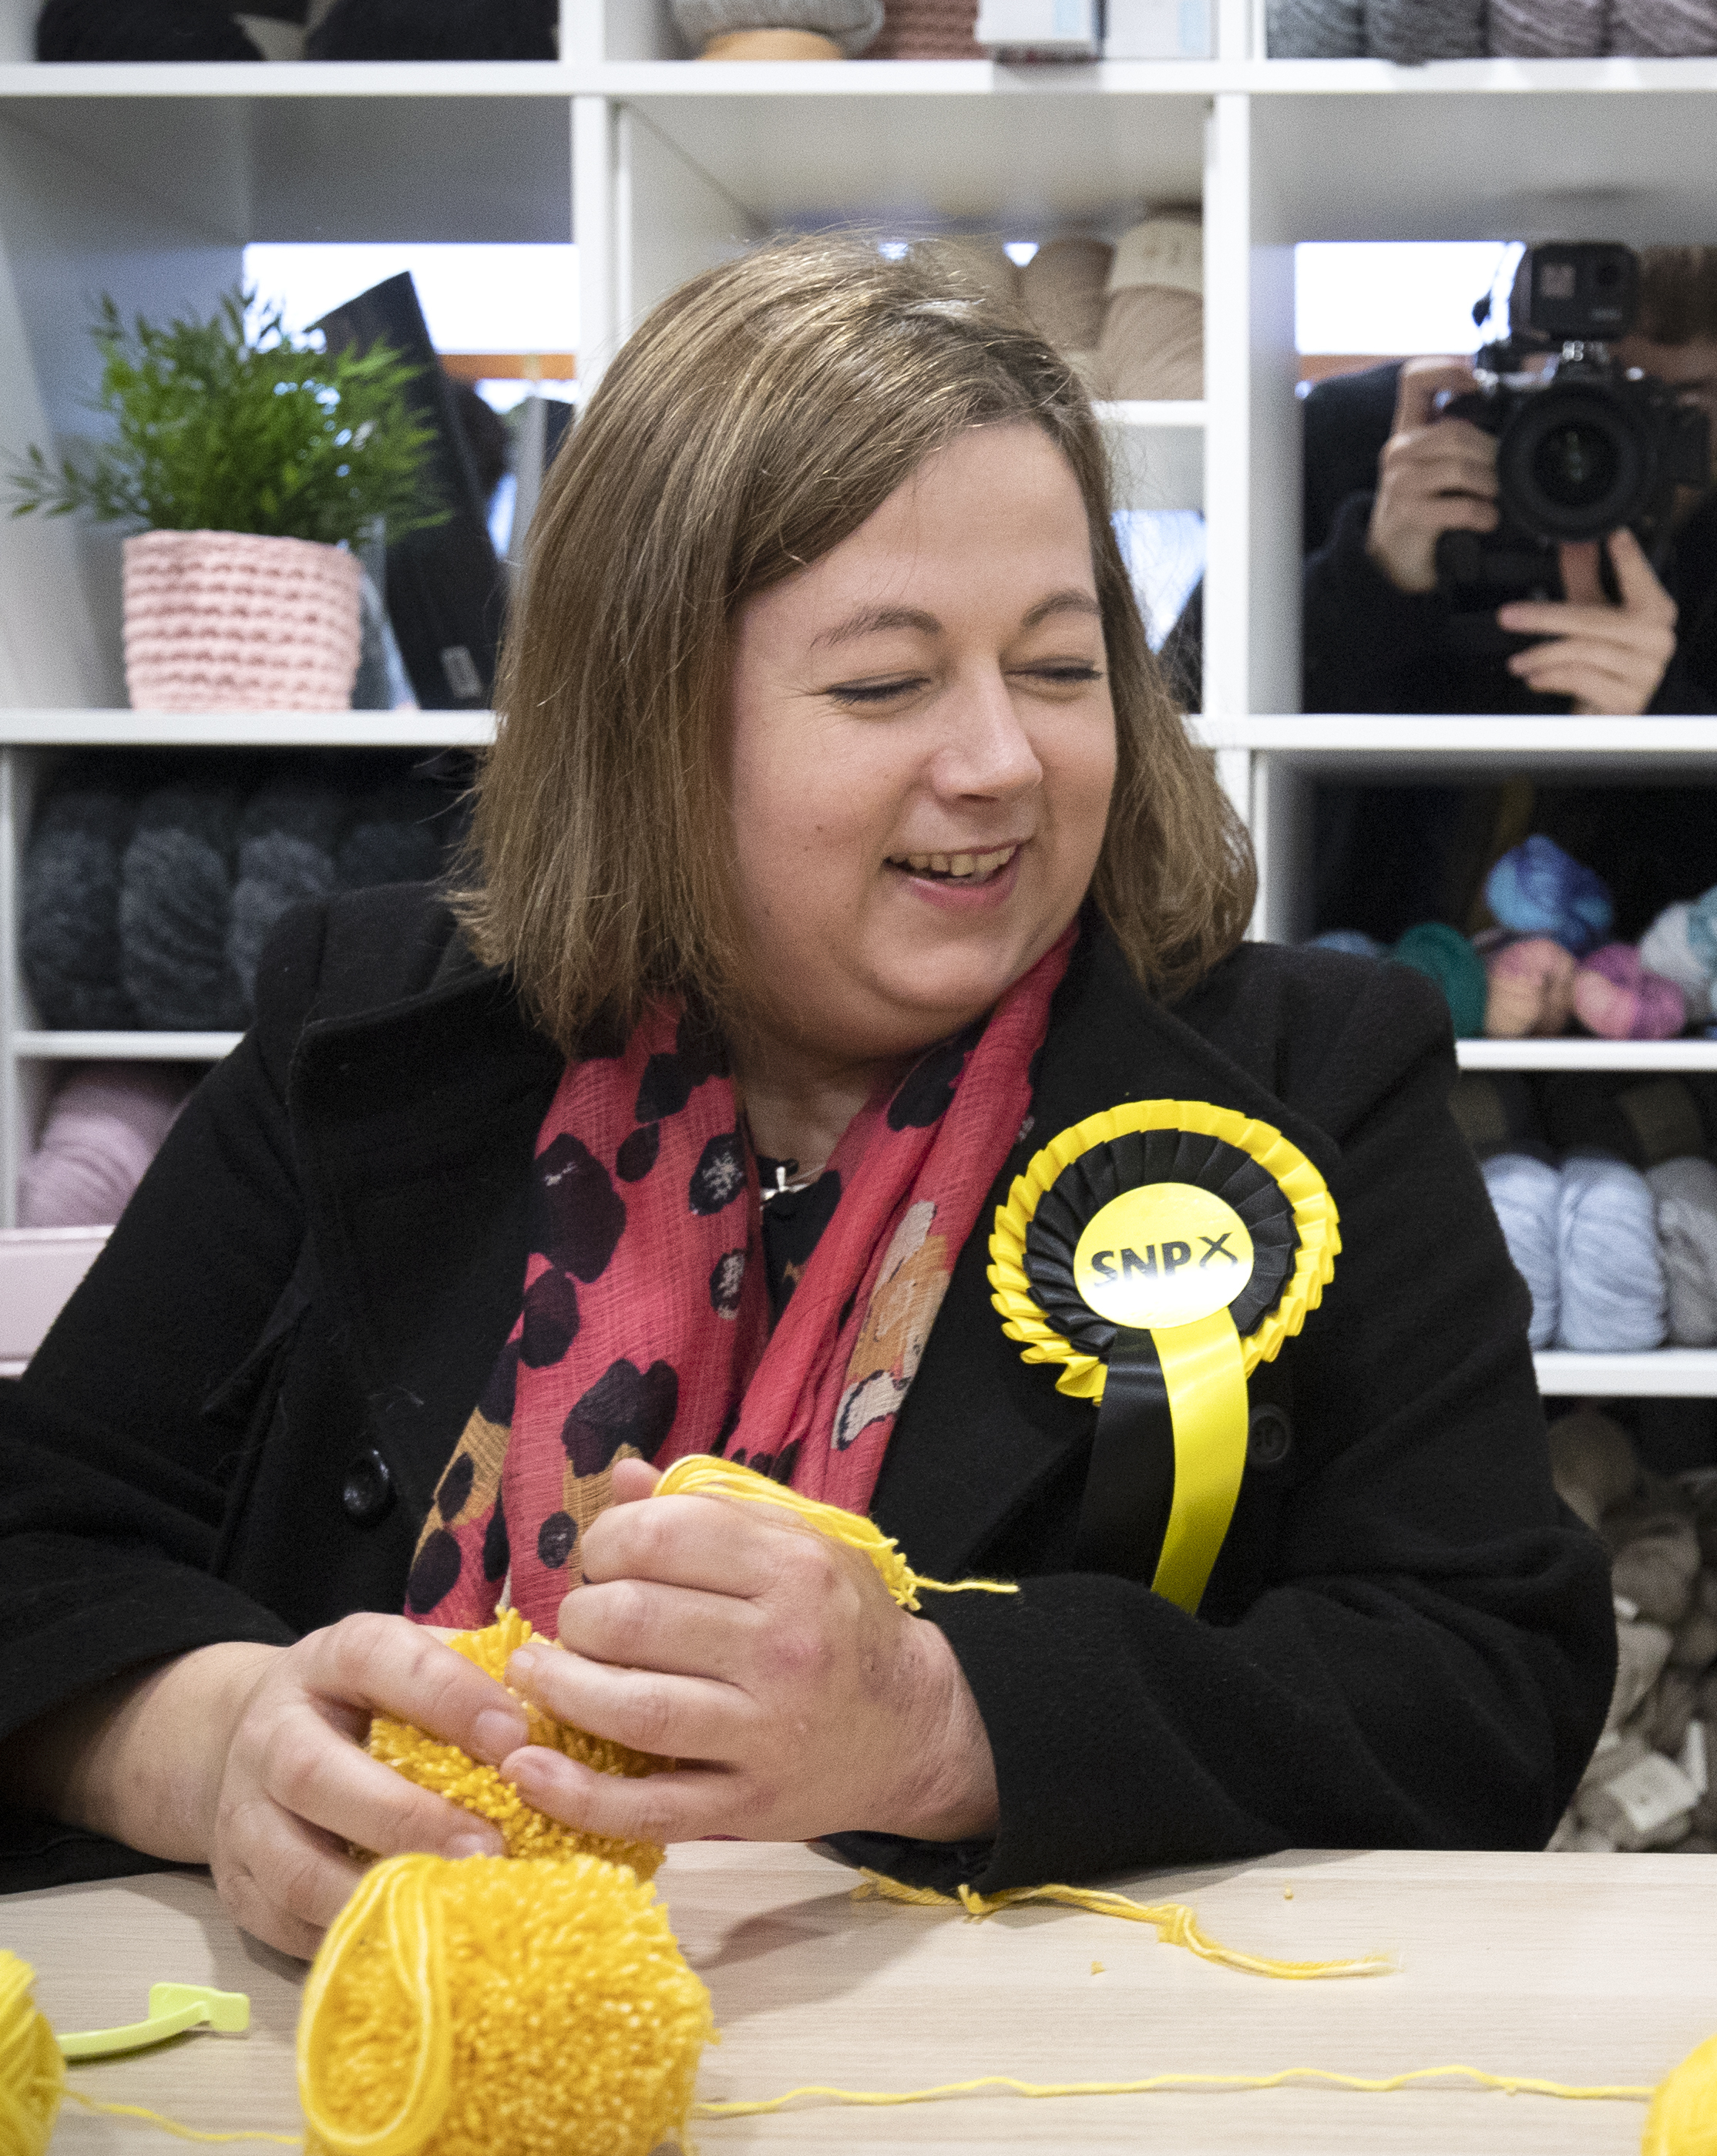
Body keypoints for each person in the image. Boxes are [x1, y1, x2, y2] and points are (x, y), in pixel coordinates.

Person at [0, 237, 1615, 1955]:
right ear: (650, 720)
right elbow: (37, 1552)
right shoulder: (368, 1030)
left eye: (1062, 668)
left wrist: (943, 1718)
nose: (1002, 758)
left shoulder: (1312, 1081)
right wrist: (227, 1747)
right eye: (884, 682)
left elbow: (1490, 1680)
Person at [1300, 245, 1717, 717]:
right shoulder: (1365, 444)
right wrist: (1371, 582)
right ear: (1506, 369)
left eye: (1672, 411)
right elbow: (1231, 748)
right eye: (1580, 395)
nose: (1611, 445)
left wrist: (1660, 717)